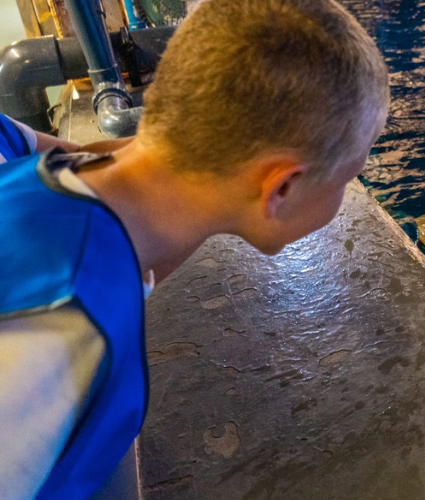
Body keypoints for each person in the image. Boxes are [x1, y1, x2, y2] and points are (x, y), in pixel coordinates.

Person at [0, 0, 389, 498]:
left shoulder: (28, 168)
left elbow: (35, 144)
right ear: (282, 189)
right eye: (349, 177)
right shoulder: (65, 326)